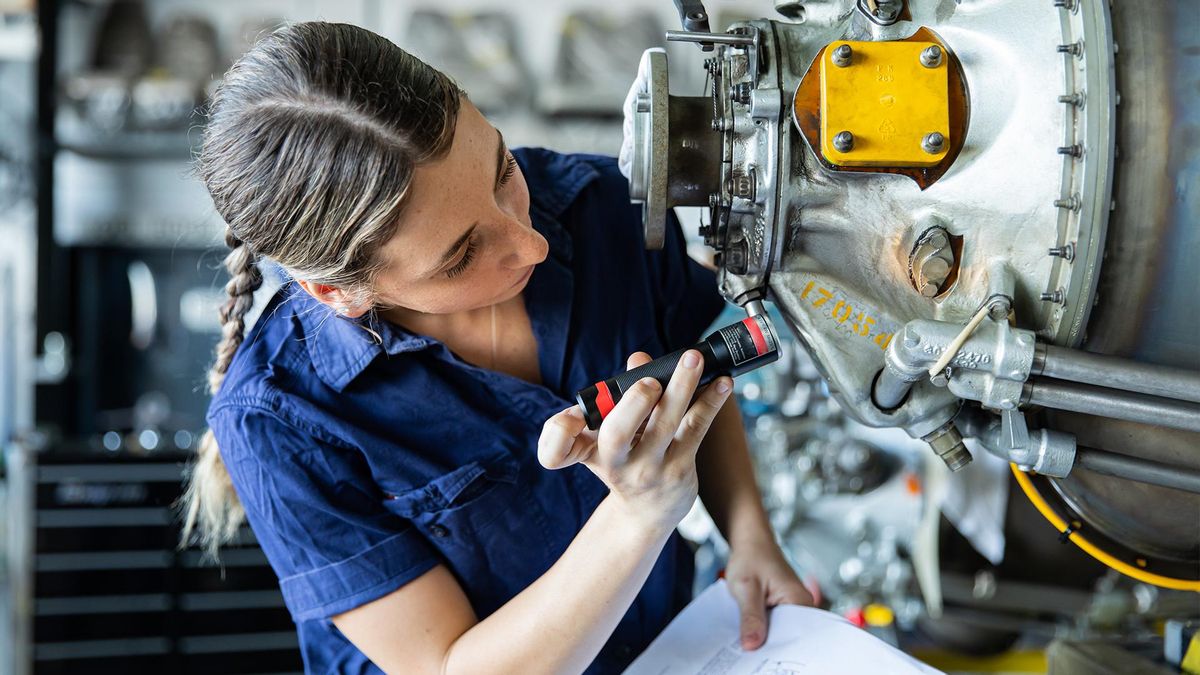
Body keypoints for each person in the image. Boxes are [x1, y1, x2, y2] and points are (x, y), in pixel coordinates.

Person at [180, 21, 813, 675]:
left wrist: (749, 537)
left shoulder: (597, 205)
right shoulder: (275, 417)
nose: (530, 241)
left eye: (502, 168)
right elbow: (450, 665)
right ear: (340, 292)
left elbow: (693, 369)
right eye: (460, 256)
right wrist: (638, 514)